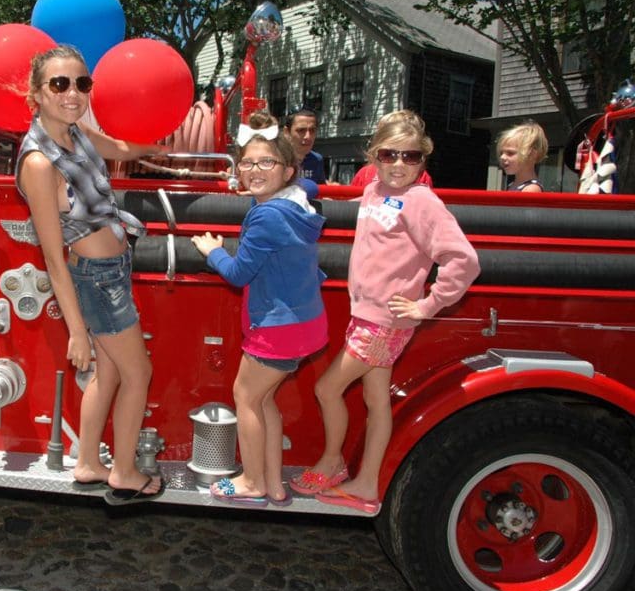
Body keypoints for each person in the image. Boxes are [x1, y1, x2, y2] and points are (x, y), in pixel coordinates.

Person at [296, 110, 479, 514]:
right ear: (374, 157)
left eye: (410, 157)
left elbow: (463, 261)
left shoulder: (423, 201)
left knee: (327, 388)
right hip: (367, 315)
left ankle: (332, 463)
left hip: (385, 321)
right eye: (389, 154)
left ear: (423, 160)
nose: (399, 164)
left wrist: (427, 305)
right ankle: (367, 482)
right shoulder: (376, 191)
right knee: (377, 400)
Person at [16, 44, 169, 505]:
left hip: (111, 269)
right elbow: (52, 257)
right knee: (138, 372)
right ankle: (123, 471)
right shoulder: (40, 161)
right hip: (95, 279)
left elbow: (119, 148)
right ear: (36, 94)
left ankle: (87, 462)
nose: (73, 93)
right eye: (59, 84)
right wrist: (76, 332)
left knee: (110, 374)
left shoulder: (75, 133)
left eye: (82, 83)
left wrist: (162, 148)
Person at [192, 111, 328, 506]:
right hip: (306, 324)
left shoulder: (267, 215)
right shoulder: (299, 202)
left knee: (246, 398)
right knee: (265, 400)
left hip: (277, 327)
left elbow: (238, 273)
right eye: (248, 162)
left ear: (287, 171)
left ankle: (252, 479)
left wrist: (212, 251)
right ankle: (273, 482)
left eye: (266, 162)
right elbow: (311, 184)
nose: (254, 169)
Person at [350, 111, 434, 187]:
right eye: (387, 155)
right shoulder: (365, 173)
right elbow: (351, 199)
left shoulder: (422, 178)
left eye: (411, 156)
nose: (399, 164)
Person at [497, 121, 547, 192]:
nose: (502, 157)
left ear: (532, 155)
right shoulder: (512, 185)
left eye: (510, 153)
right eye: (501, 153)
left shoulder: (531, 189)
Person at [284, 109, 327, 185]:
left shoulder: (316, 160)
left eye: (312, 130)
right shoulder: (276, 160)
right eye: (301, 130)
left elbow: (321, 190)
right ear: (287, 132)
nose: (308, 136)